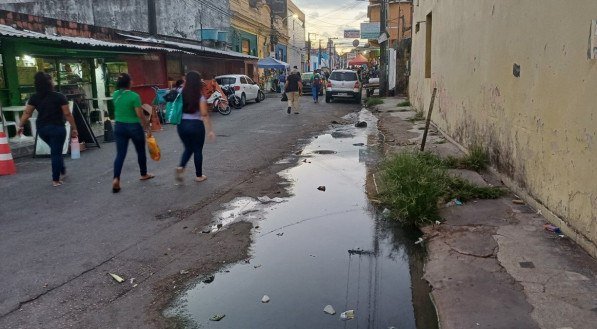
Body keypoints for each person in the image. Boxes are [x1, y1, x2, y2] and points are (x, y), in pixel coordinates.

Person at [17, 72, 78, 187]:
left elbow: (27, 113)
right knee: (56, 153)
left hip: (42, 130)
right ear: (50, 82)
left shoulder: (34, 97)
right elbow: (68, 114)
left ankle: (62, 169)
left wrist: (20, 126)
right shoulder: (59, 96)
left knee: (56, 151)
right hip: (57, 128)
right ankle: (56, 179)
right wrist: (74, 128)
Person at [111, 73, 154, 193]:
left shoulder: (115, 94)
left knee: (120, 154)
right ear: (128, 82)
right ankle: (143, 174)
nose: (133, 82)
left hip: (119, 126)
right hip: (133, 127)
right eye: (131, 80)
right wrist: (147, 127)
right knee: (140, 151)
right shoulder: (134, 96)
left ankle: (116, 178)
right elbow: (140, 114)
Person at [175, 71, 216, 183]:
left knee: (188, 148)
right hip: (195, 126)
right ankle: (199, 176)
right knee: (197, 150)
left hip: (181, 125)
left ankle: (181, 167)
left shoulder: (179, 92)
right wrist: (210, 130)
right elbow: (204, 114)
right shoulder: (199, 97)